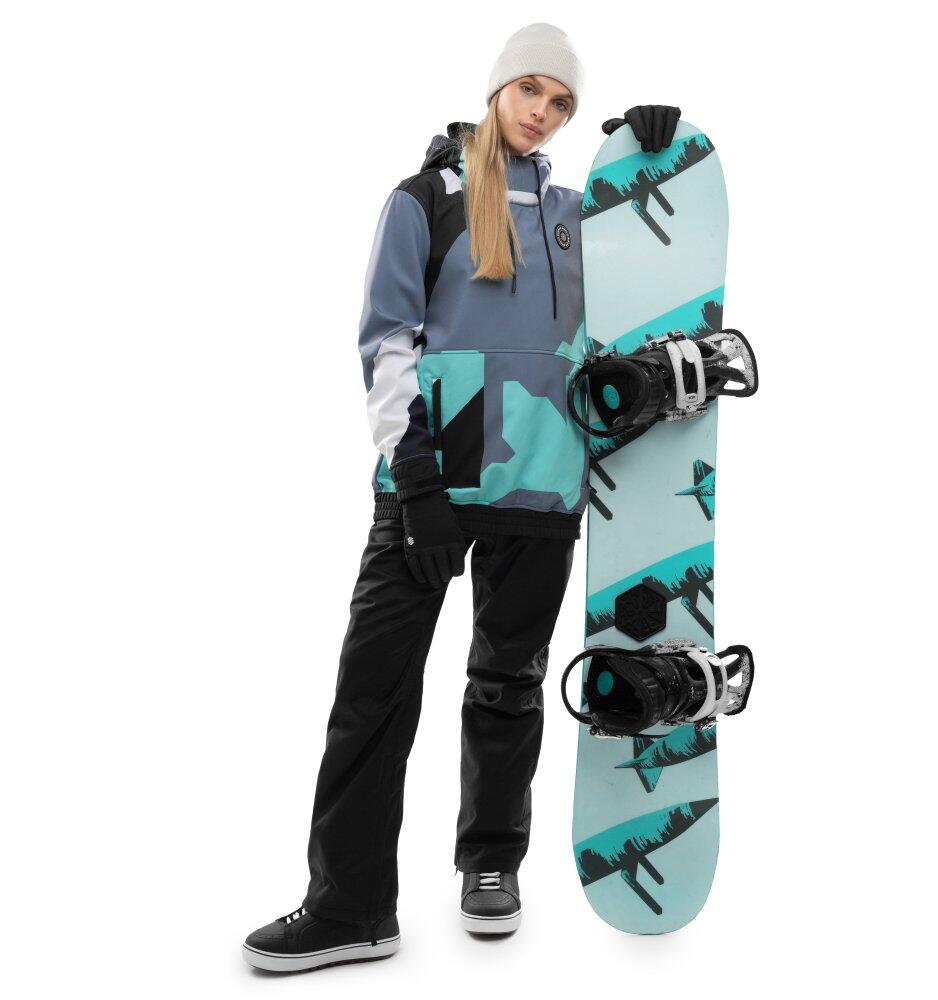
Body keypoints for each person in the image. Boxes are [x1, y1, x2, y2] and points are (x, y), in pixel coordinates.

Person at [242, 22, 680, 973]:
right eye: (531, 90)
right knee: (374, 690)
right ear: (496, 89)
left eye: (561, 102)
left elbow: (644, 295)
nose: (542, 112)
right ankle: (351, 906)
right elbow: (386, 342)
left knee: (508, 682)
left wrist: (654, 160)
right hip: (430, 487)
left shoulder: (579, 214)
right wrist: (418, 480)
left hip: (543, 486)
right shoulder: (425, 199)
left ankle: (491, 864)